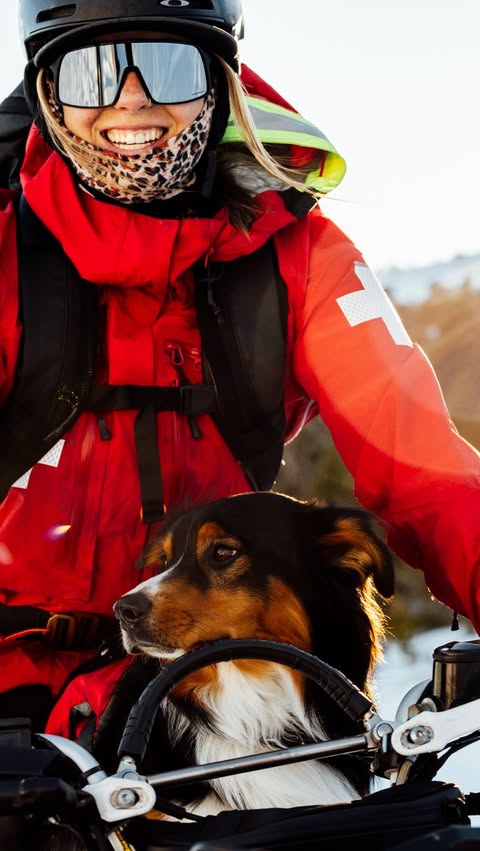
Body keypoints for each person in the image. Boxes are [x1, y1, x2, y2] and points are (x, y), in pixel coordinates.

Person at [0, 0, 479, 734]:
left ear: (220, 82)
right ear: (48, 97)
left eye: (168, 64)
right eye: (92, 71)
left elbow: (425, 467)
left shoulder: (302, 257)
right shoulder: (5, 253)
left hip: (220, 683)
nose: (132, 97)